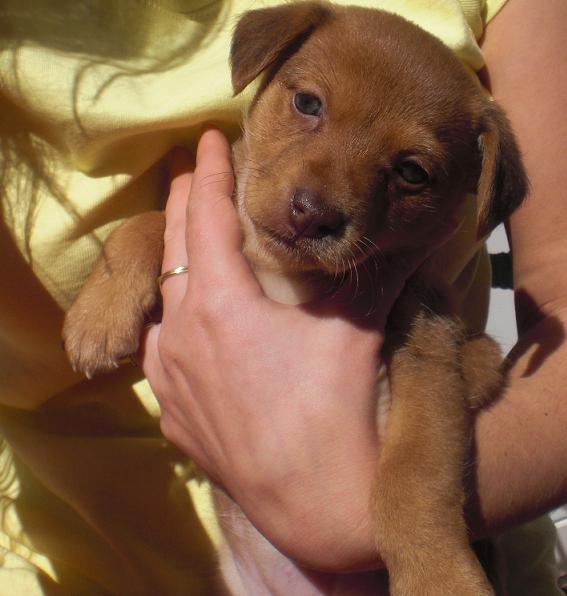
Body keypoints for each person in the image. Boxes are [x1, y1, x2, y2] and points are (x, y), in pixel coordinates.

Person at [0, 0, 564, 593]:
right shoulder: (234, 170)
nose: (322, 199)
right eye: (308, 106)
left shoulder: (399, 291)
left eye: (411, 172)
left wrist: (411, 543)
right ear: (258, 74)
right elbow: (176, 234)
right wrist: (135, 254)